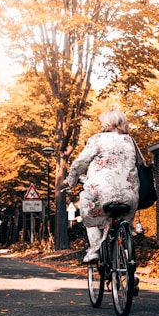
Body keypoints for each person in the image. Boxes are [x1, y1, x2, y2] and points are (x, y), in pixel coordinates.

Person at [63, 109, 140, 263]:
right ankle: (129, 268)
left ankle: (94, 250)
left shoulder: (98, 139)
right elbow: (141, 165)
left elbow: (80, 163)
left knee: (88, 212)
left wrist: (70, 181)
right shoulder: (130, 141)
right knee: (125, 224)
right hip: (129, 197)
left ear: (108, 123)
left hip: (101, 195)